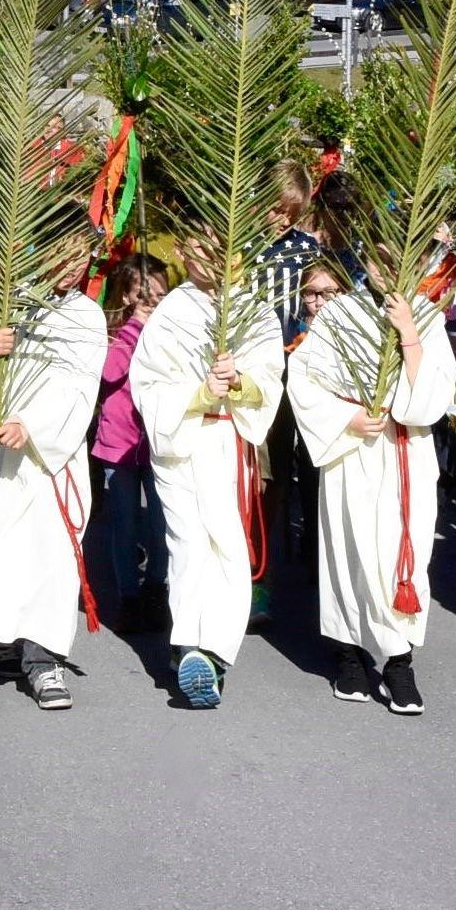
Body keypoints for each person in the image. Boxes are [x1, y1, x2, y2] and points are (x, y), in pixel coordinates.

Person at [0, 255, 108, 712]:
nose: (71, 268)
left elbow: (79, 389)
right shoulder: (0, 303)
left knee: (52, 558)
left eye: (80, 259)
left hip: (49, 453)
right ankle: (5, 640)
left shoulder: (85, 316)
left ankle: (45, 660)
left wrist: (31, 425)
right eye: (63, 254)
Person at [286, 277, 456, 716]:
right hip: (352, 447)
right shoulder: (338, 313)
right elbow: (303, 380)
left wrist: (408, 331)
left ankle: (399, 659)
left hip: (405, 446)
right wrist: (346, 416)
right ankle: (348, 653)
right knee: (348, 550)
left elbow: (434, 394)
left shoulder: (425, 312)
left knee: (403, 554)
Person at [128, 256, 287, 709]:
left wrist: (239, 380)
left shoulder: (252, 307)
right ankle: (189, 647)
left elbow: (269, 377)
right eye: (196, 248)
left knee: (228, 547)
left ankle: (214, 654)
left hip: (228, 438)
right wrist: (198, 394)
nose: (208, 259)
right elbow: (148, 381)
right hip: (183, 437)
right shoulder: (173, 310)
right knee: (189, 543)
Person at [92, 264, 167, 635]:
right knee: (124, 523)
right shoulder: (114, 332)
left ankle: (156, 586)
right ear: (127, 297)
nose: (152, 303)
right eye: (144, 296)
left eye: (159, 296)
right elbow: (108, 373)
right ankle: (128, 595)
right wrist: (134, 326)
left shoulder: (171, 332)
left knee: (161, 521)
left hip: (157, 441)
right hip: (118, 440)